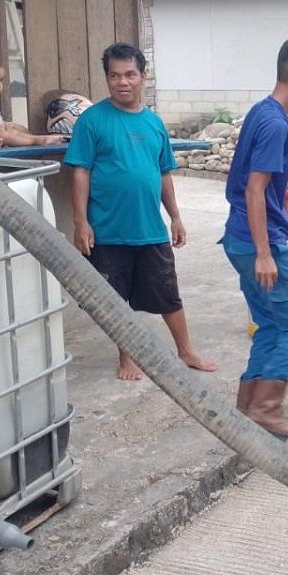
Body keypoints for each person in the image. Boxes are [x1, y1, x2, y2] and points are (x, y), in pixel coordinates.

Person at [65, 42, 217, 380]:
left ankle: (186, 350)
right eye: (114, 75)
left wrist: (175, 216)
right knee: (116, 298)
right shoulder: (92, 121)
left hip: (149, 228)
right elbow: (80, 171)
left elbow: (163, 172)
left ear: (142, 76)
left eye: (130, 74)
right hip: (107, 229)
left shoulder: (154, 123)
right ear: (106, 78)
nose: (122, 82)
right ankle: (127, 357)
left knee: (167, 291)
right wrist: (81, 221)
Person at [223, 36, 288, 438]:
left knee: (269, 324)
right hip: (256, 243)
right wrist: (265, 253)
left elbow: (259, 186)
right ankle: (267, 408)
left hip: (239, 237)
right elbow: (253, 189)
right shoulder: (274, 124)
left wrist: (278, 199)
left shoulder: (261, 111)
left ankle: (246, 409)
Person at [0, 54, 65, 146]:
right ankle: (36, 141)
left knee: (17, 128)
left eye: (0, 80)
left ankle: (36, 138)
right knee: (7, 135)